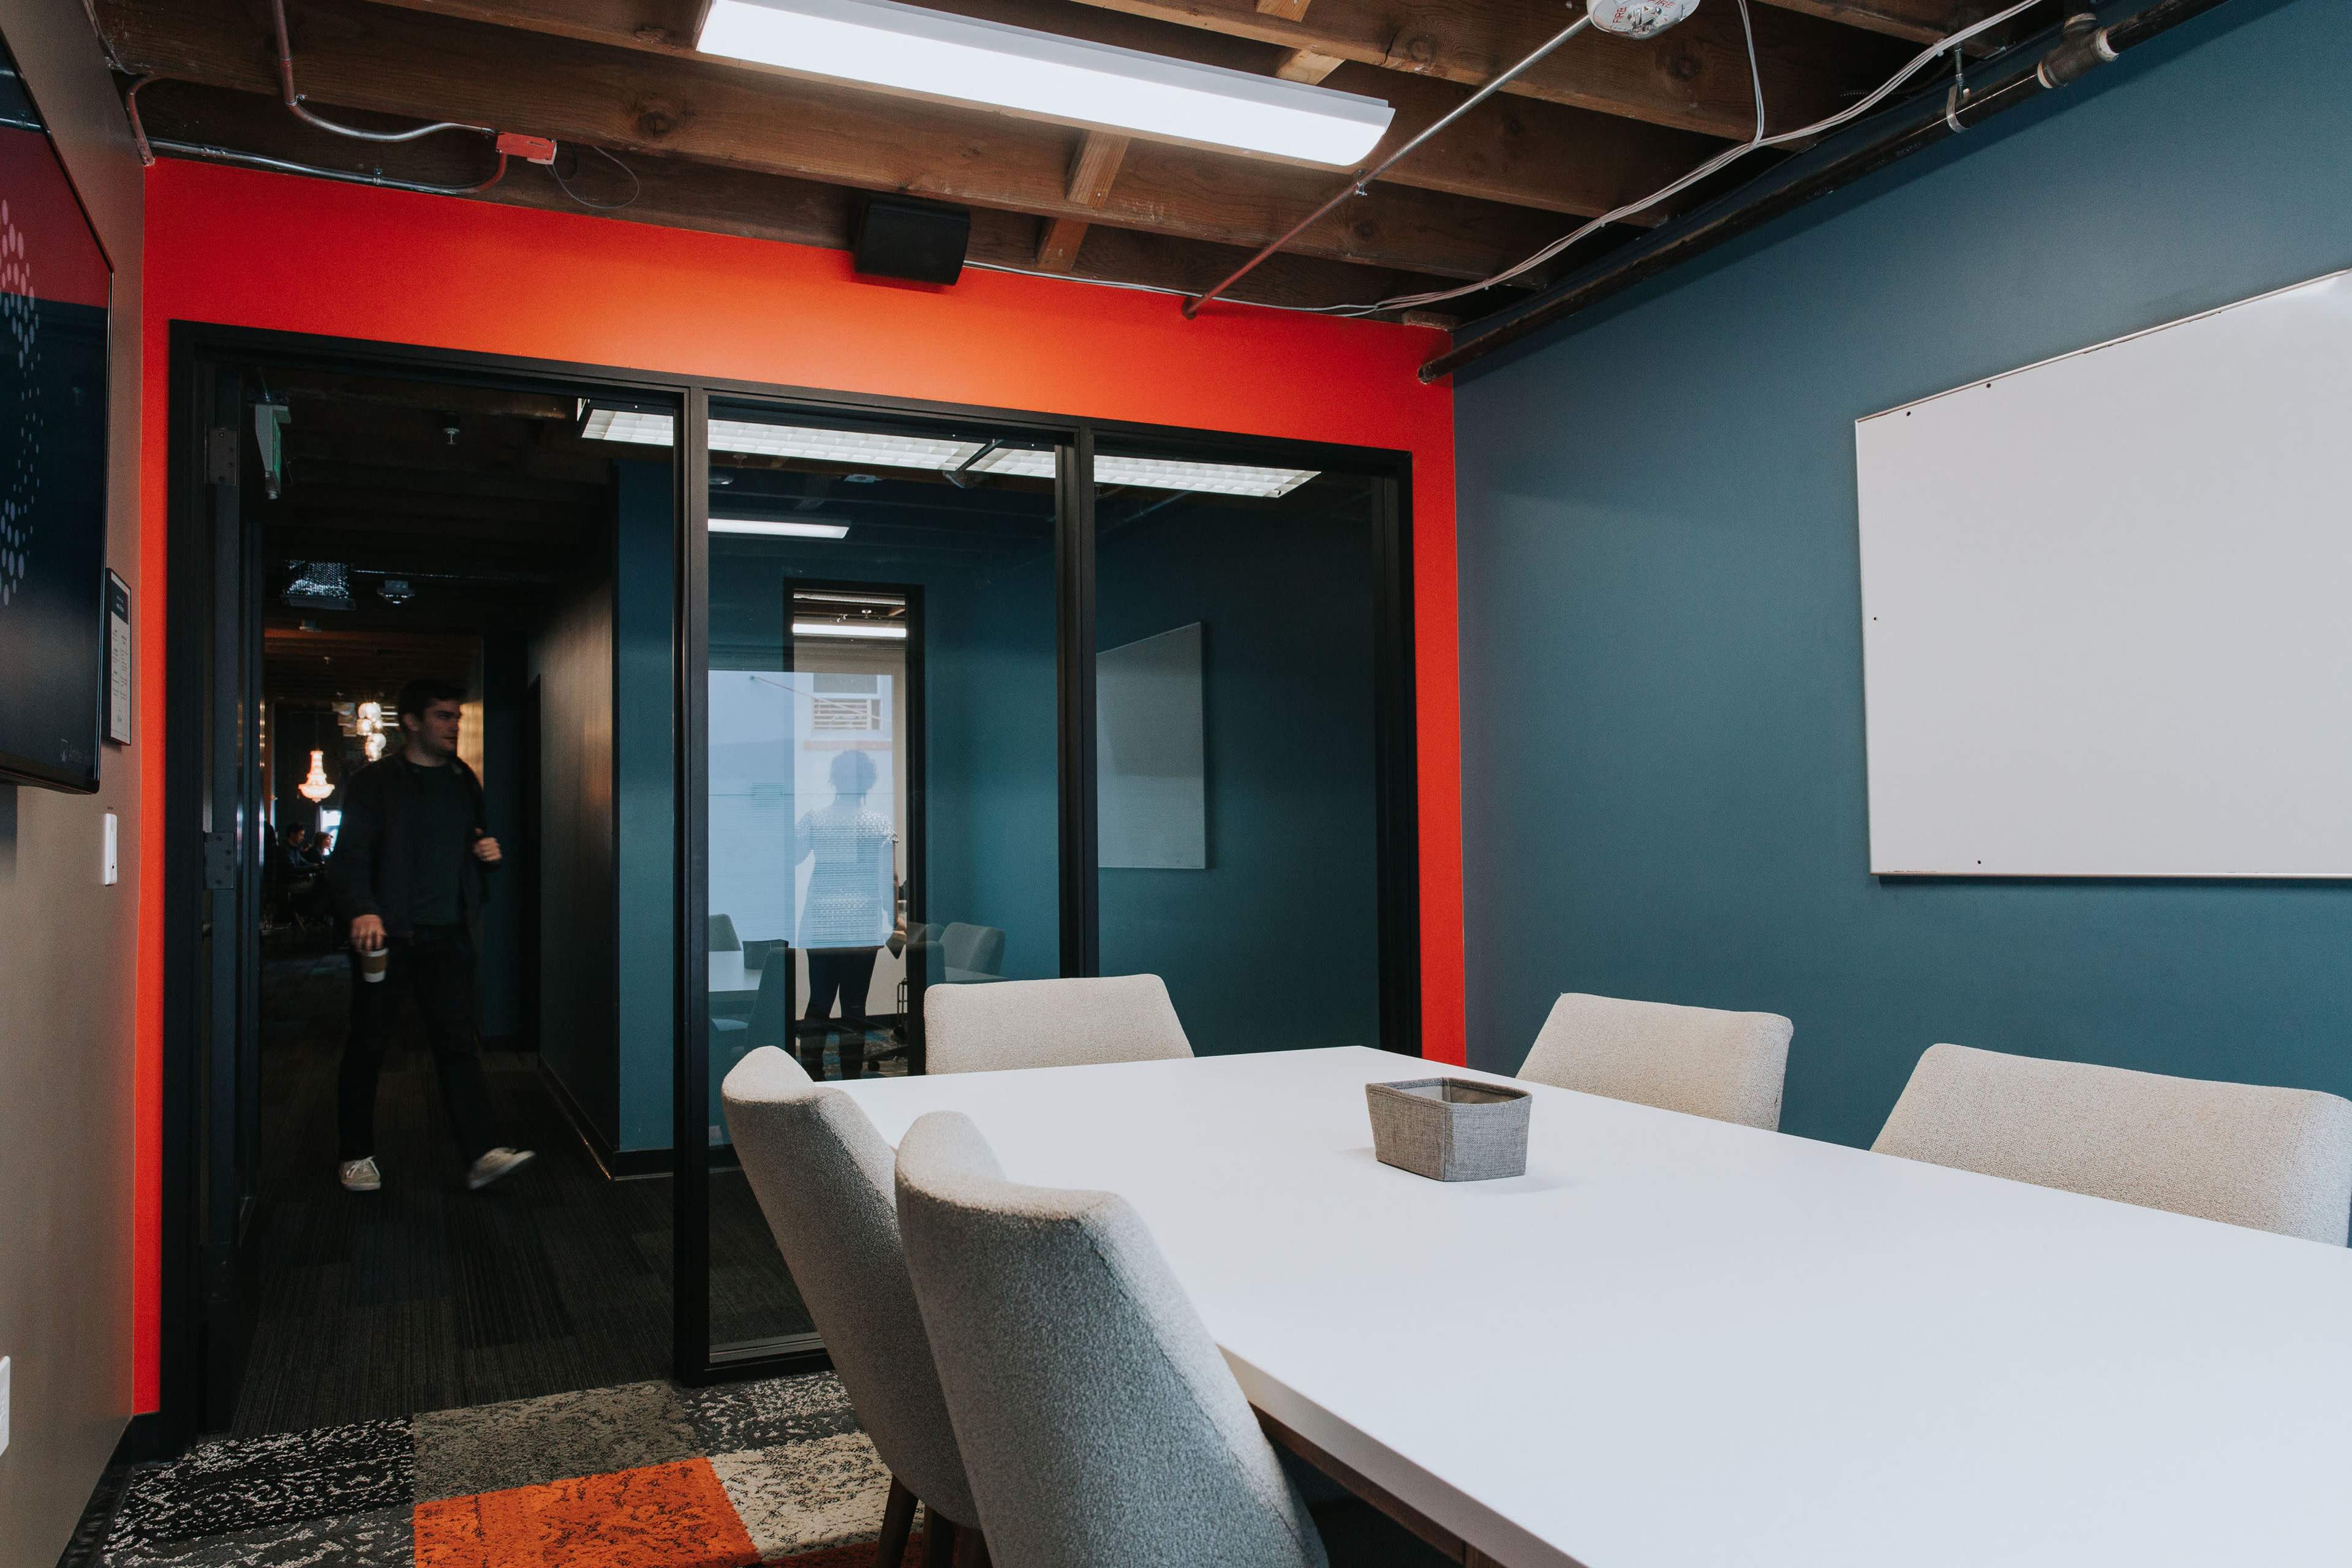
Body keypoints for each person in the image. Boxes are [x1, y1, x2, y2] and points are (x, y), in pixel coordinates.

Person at [328, 678, 534, 1193]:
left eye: (456, 717)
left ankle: (481, 1153)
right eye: (443, 716)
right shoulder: (375, 783)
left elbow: (475, 841)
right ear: (412, 722)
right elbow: (350, 855)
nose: (454, 725)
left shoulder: (463, 779)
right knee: (369, 1044)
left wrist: (487, 856)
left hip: (448, 935)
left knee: (457, 1045)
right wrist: (363, 910)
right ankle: (355, 1154)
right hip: (387, 937)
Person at [793, 748, 902, 1080]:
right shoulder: (879, 823)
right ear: (868, 782)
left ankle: (811, 1076)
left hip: (821, 924)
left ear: (834, 780)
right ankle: (853, 1079)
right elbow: (888, 879)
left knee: (819, 1001)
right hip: (861, 926)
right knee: (855, 1007)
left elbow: (791, 857)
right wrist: (893, 919)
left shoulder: (814, 819)